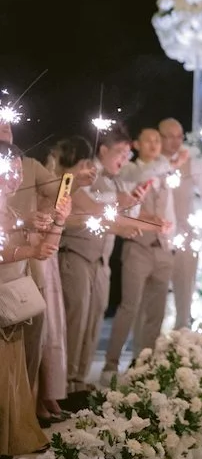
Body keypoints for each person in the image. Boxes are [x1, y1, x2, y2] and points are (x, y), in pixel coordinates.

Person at [60, 126, 159, 394]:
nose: (124, 159)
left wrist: (152, 223)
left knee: (93, 320)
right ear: (103, 150)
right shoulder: (85, 172)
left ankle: (79, 381)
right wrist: (120, 204)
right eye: (120, 152)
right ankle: (62, 385)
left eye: (128, 154)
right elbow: (87, 207)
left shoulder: (116, 182)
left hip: (101, 261)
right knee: (75, 320)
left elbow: (121, 216)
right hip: (77, 253)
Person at [101, 127, 176, 384]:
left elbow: (170, 210)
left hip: (163, 248)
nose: (155, 144)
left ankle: (146, 361)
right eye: (150, 140)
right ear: (137, 144)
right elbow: (127, 208)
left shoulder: (166, 174)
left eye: (158, 139)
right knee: (129, 307)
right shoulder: (130, 171)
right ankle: (111, 363)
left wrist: (170, 237)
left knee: (157, 311)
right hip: (137, 246)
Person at [0, 142, 59, 459]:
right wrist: (28, 251)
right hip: (1, 293)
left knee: (12, 370)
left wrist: (58, 220)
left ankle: (11, 437)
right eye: (9, 172)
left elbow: (43, 249)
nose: (15, 178)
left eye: (18, 172)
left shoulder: (9, 208)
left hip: (12, 297)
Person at [37, 136, 94, 422]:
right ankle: (43, 399)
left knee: (56, 330)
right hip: (39, 256)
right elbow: (56, 210)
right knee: (46, 332)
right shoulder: (46, 179)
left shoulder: (61, 181)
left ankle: (52, 396)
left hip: (50, 259)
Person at [158, 117, 202, 329]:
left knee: (184, 295)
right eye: (170, 136)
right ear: (160, 137)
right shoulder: (152, 164)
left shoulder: (192, 164)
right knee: (151, 300)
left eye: (179, 136)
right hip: (154, 239)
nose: (176, 142)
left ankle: (182, 344)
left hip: (184, 238)